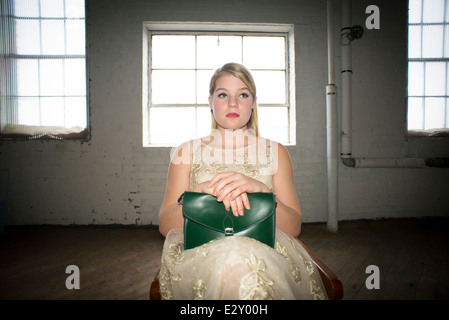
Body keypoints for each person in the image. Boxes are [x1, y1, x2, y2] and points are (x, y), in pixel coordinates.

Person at [157, 62, 327, 300]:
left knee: (241, 260)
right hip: (200, 254)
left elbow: (294, 227)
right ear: (210, 102)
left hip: (268, 252)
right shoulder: (185, 153)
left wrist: (264, 192)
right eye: (223, 94)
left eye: (243, 94)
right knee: (233, 258)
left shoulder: (276, 153)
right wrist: (198, 197)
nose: (233, 103)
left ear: (254, 103)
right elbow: (165, 225)